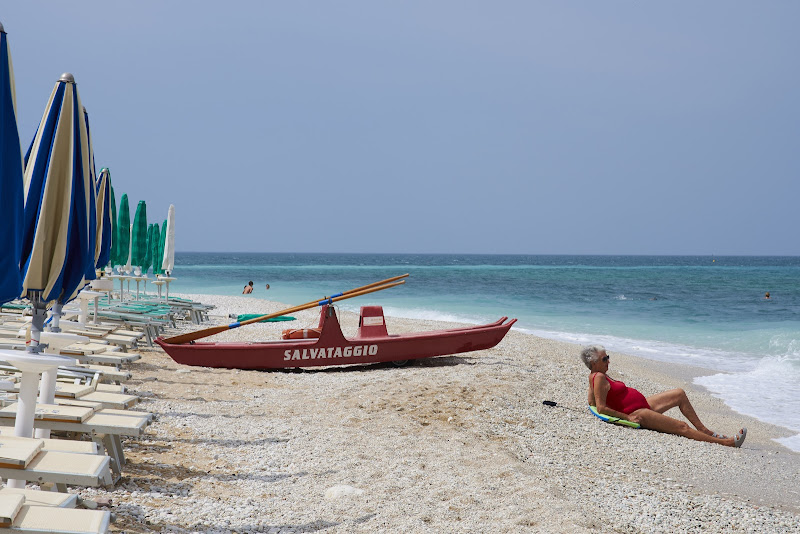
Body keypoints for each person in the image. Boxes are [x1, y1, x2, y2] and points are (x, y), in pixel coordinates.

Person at [580, 345, 746, 447]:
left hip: (642, 405)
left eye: (608, 357)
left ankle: (704, 430)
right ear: (594, 363)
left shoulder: (598, 375)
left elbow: (592, 402)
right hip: (637, 413)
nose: (608, 361)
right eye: (604, 359)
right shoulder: (599, 377)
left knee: (679, 393)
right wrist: (627, 418)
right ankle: (726, 443)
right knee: (681, 427)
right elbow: (601, 408)